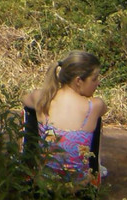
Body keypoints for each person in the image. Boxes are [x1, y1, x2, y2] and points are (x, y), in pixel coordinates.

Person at [21, 50, 107, 186]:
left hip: (45, 184)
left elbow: (24, 100)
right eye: (94, 79)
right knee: (97, 121)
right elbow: (103, 110)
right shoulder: (95, 105)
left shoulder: (41, 98)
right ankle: (94, 172)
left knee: (29, 112)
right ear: (78, 81)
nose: (97, 83)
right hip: (78, 186)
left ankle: (28, 167)